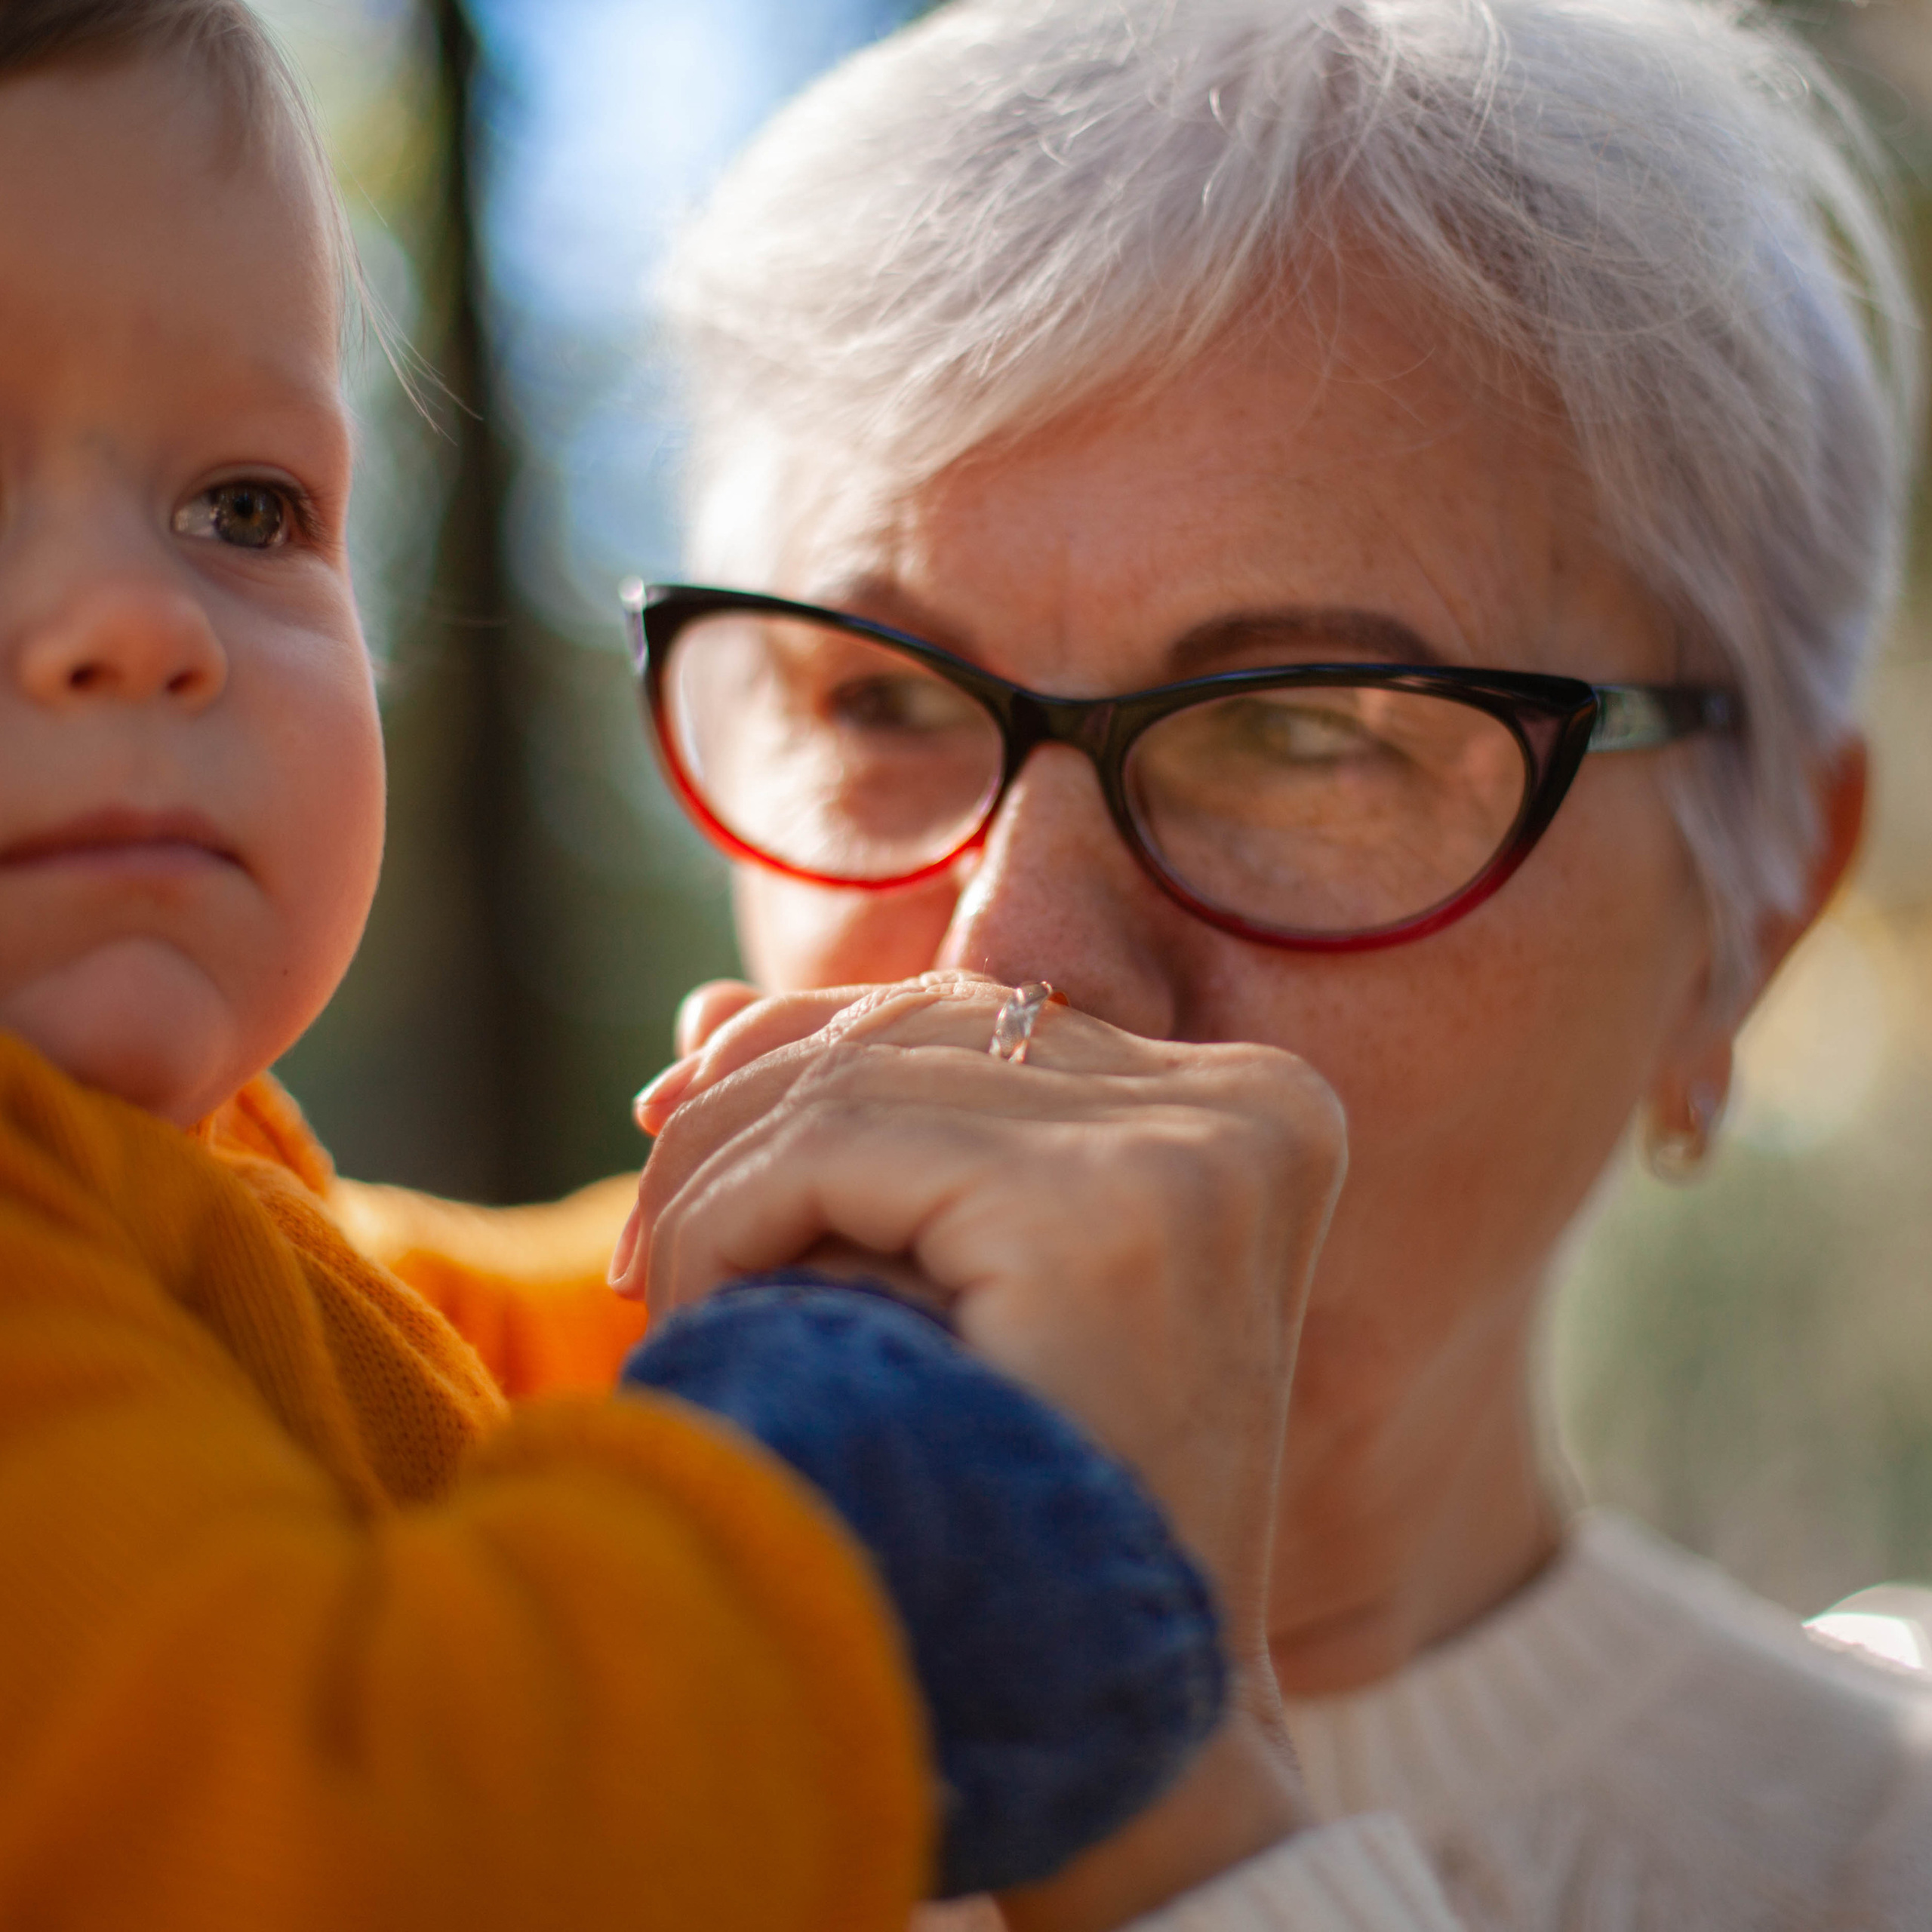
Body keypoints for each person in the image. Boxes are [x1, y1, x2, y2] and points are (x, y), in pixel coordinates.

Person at [0, 4, 1429, 1927]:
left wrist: (784, 1197)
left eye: (245, 506)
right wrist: (880, 1429)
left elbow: (413, 1359)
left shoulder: (173, 1187)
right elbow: (364, 1819)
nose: (135, 619)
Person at [611, 0, 1932, 1924]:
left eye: (1309, 728)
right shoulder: (323, 1705)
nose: (1019, 953)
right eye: (883, 695)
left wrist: (1159, 1803)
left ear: (1745, 921)